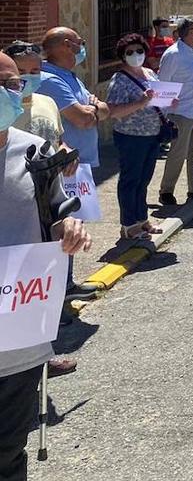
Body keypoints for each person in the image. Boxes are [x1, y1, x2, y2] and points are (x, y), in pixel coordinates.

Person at [0, 50, 92, 481]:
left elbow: (53, 215)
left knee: (7, 457)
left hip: (17, 340)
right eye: (3, 83)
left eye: (14, 84)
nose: (11, 92)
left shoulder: (33, 152)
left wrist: (67, 231)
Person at [37, 27, 109, 302]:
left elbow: (103, 110)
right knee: (63, 227)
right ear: (67, 45)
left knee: (74, 225)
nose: (82, 48)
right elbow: (81, 117)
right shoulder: (51, 80)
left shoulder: (70, 77)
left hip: (80, 166)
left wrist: (96, 110)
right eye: (79, 43)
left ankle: (66, 285)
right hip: (64, 169)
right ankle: (57, 293)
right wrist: (94, 110)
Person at [106, 34, 169, 240]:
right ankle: (129, 224)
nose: (136, 55)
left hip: (152, 134)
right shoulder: (120, 79)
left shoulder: (150, 73)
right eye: (130, 52)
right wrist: (141, 102)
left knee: (144, 180)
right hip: (131, 136)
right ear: (123, 56)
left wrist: (169, 102)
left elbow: (157, 98)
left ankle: (142, 220)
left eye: (139, 51)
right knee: (130, 180)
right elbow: (113, 111)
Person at [157, 16, 193, 205]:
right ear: (186, 33)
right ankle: (166, 191)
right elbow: (162, 83)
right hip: (181, 113)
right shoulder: (174, 54)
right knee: (177, 153)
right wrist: (163, 115)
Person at [6, 42, 61, 148]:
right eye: (21, 72)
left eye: (34, 71)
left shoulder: (49, 102)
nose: (28, 77)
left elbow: (58, 141)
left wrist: (65, 150)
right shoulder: (4, 109)